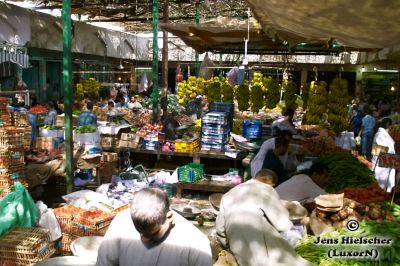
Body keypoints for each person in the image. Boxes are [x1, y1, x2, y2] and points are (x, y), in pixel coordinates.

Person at [216, 169, 312, 266]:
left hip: (236, 248)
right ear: (266, 180)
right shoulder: (266, 189)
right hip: (259, 251)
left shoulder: (229, 193)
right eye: (272, 185)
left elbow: (220, 229)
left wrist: (227, 245)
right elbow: (282, 225)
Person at [96, 188, 212, 266]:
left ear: (169, 217)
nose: (144, 240)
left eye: (153, 234)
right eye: (140, 233)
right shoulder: (121, 222)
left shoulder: (197, 244)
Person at [371, 118, 396, 192]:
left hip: (384, 165)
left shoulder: (381, 134)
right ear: (389, 127)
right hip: (381, 167)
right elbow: (377, 151)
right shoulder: (380, 135)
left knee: (381, 188)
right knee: (379, 188)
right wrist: (393, 159)